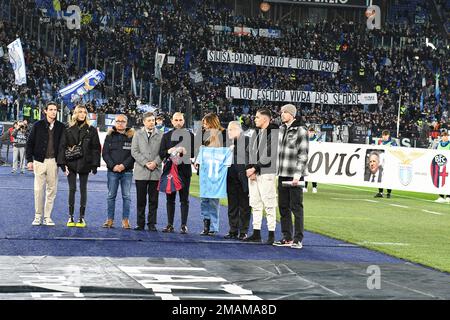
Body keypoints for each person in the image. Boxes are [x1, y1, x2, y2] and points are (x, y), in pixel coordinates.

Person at [58, 104, 101, 227]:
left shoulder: (91, 129)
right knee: (72, 189)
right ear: (75, 113)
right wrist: (62, 164)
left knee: (83, 189)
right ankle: (70, 217)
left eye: (84, 112)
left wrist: (94, 165)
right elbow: (62, 146)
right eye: (80, 112)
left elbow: (96, 148)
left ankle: (81, 218)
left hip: (85, 163)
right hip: (70, 163)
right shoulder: (67, 128)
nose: (82, 114)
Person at [274, 104, 308, 249]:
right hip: (282, 173)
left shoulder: (301, 130)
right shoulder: (281, 129)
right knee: (283, 207)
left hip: (294, 174)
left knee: (296, 207)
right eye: (282, 112)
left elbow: (303, 154)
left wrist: (297, 174)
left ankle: (298, 239)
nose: (282, 114)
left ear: (292, 114)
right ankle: (287, 237)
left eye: (285, 112)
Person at [26, 101, 65, 226]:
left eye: (55, 109)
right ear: (45, 111)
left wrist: (63, 164)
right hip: (39, 161)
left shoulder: (61, 126)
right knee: (38, 190)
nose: (54, 111)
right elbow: (30, 143)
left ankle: (47, 217)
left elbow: (63, 146)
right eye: (51, 109)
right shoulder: (37, 125)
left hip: (53, 162)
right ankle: (38, 216)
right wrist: (29, 160)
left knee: (51, 191)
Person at [245, 108, 279, 245]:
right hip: (254, 172)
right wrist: (250, 169)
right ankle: (256, 232)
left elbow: (269, 154)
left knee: (269, 203)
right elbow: (248, 152)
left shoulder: (274, 133)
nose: (255, 119)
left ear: (265, 119)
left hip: (267, 172)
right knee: (255, 203)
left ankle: (271, 234)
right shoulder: (256, 133)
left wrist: (254, 168)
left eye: (257, 117)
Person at [159, 112, 194, 234]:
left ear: (183, 121)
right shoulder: (166, 136)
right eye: (176, 120)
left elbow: (194, 153)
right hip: (170, 172)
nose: (178, 122)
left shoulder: (190, 135)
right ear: (172, 121)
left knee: (184, 199)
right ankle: (170, 225)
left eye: (180, 120)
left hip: (184, 172)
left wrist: (186, 151)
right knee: (170, 200)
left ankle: (184, 225)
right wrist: (169, 151)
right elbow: (161, 153)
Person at [194, 113, 229, 236]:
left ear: (211, 122)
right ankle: (206, 226)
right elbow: (198, 150)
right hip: (205, 171)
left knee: (213, 200)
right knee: (204, 199)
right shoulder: (203, 134)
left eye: (205, 122)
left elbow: (227, 152)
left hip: (216, 172)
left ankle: (214, 227)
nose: (203, 125)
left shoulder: (224, 134)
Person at [101, 114, 135, 228]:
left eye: (123, 121)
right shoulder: (109, 135)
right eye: (118, 121)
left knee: (127, 196)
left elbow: (133, 154)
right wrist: (113, 166)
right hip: (112, 171)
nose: (120, 123)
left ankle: (125, 220)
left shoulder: (132, 136)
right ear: (114, 123)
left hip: (127, 171)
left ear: (126, 123)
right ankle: (110, 220)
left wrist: (123, 166)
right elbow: (105, 153)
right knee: (111, 196)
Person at [131, 112, 163, 231]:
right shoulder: (137, 134)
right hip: (141, 171)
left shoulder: (161, 134)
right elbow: (134, 151)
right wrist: (146, 163)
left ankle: (151, 224)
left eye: (153, 120)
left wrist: (155, 163)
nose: (151, 122)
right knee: (141, 200)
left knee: (154, 200)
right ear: (144, 122)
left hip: (155, 172)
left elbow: (163, 152)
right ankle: (140, 223)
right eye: (149, 120)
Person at [224, 121, 251, 240]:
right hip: (230, 178)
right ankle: (233, 230)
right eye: (228, 130)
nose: (228, 132)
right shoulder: (226, 143)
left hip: (244, 179)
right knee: (232, 205)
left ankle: (243, 231)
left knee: (245, 206)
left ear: (238, 130)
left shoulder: (248, 141)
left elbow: (252, 159)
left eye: (231, 129)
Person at [375, 130, 397, 198]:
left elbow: (396, 150)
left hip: (389, 162)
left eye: (385, 135)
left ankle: (389, 193)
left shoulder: (393, 142)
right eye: (383, 135)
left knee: (388, 178)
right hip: (381, 162)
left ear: (388, 135)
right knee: (380, 177)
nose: (383, 137)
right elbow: (377, 150)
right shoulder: (380, 142)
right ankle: (380, 192)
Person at [434, 131, 450, 203]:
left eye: (446, 136)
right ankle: (441, 196)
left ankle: (448, 196)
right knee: (440, 181)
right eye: (443, 136)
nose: (445, 137)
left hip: (448, 165)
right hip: (440, 165)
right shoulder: (439, 144)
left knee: (448, 181)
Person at [304, 127, 318, 193]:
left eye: (312, 132)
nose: (311, 133)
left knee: (314, 173)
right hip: (306, 157)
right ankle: (305, 187)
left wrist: (320, 143)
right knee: (306, 172)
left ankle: (314, 187)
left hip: (314, 158)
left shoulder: (317, 139)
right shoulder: (305, 138)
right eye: (310, 131)